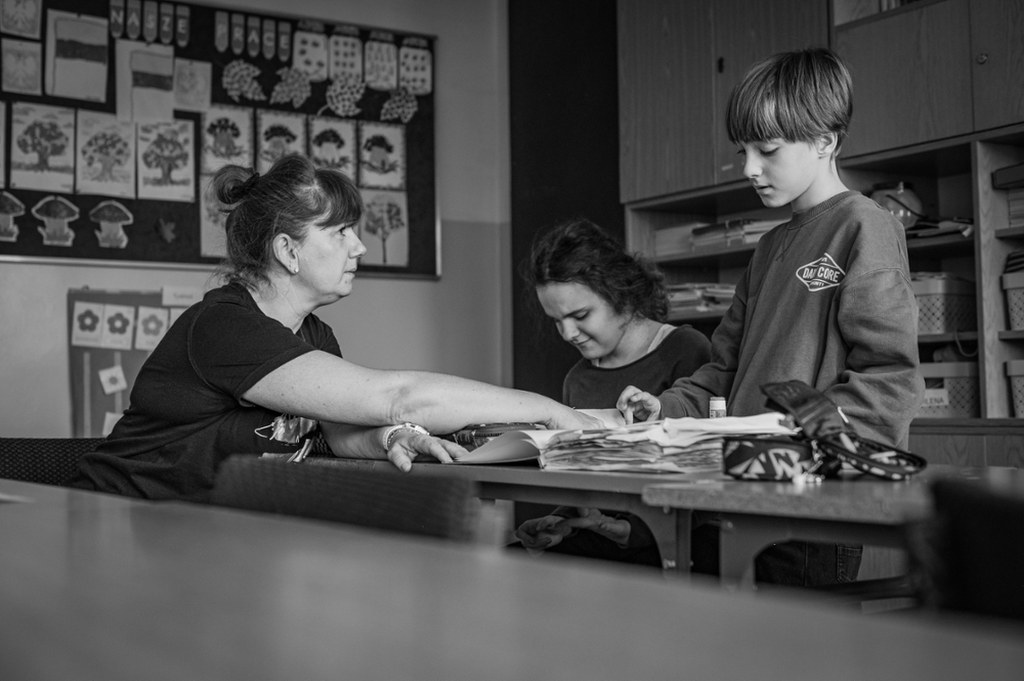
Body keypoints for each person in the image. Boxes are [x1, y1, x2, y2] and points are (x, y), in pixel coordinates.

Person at [69, 154, 599, 502]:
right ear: (288, 250)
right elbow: (399, 397)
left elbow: (337, 434)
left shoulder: (312, 334)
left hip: (204, 534)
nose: (359, 247)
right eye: (341, 232)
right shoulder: (224, 326)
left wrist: (391, 437)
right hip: (115, 520)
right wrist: (553, 412)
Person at [618, 48, 925, 587]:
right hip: (739, 494)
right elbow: (723, 372)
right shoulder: (768, 248)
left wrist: (803, 440)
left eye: (768, 150)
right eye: (743, 151)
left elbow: (890, 379)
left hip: (811, 510)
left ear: (824, 141)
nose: (749, 169)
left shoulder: (864, 226)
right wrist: (663, 407)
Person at [512, 218, 711, 566]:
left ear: (619, 293)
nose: (568, 334)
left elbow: (706, 482)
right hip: (602, 543)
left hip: (669, 548)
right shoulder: (578, 379)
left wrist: (627, 532)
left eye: (580, 315)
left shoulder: (686, 350)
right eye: (556, 321)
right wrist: (560, 522)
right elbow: (583, 486)